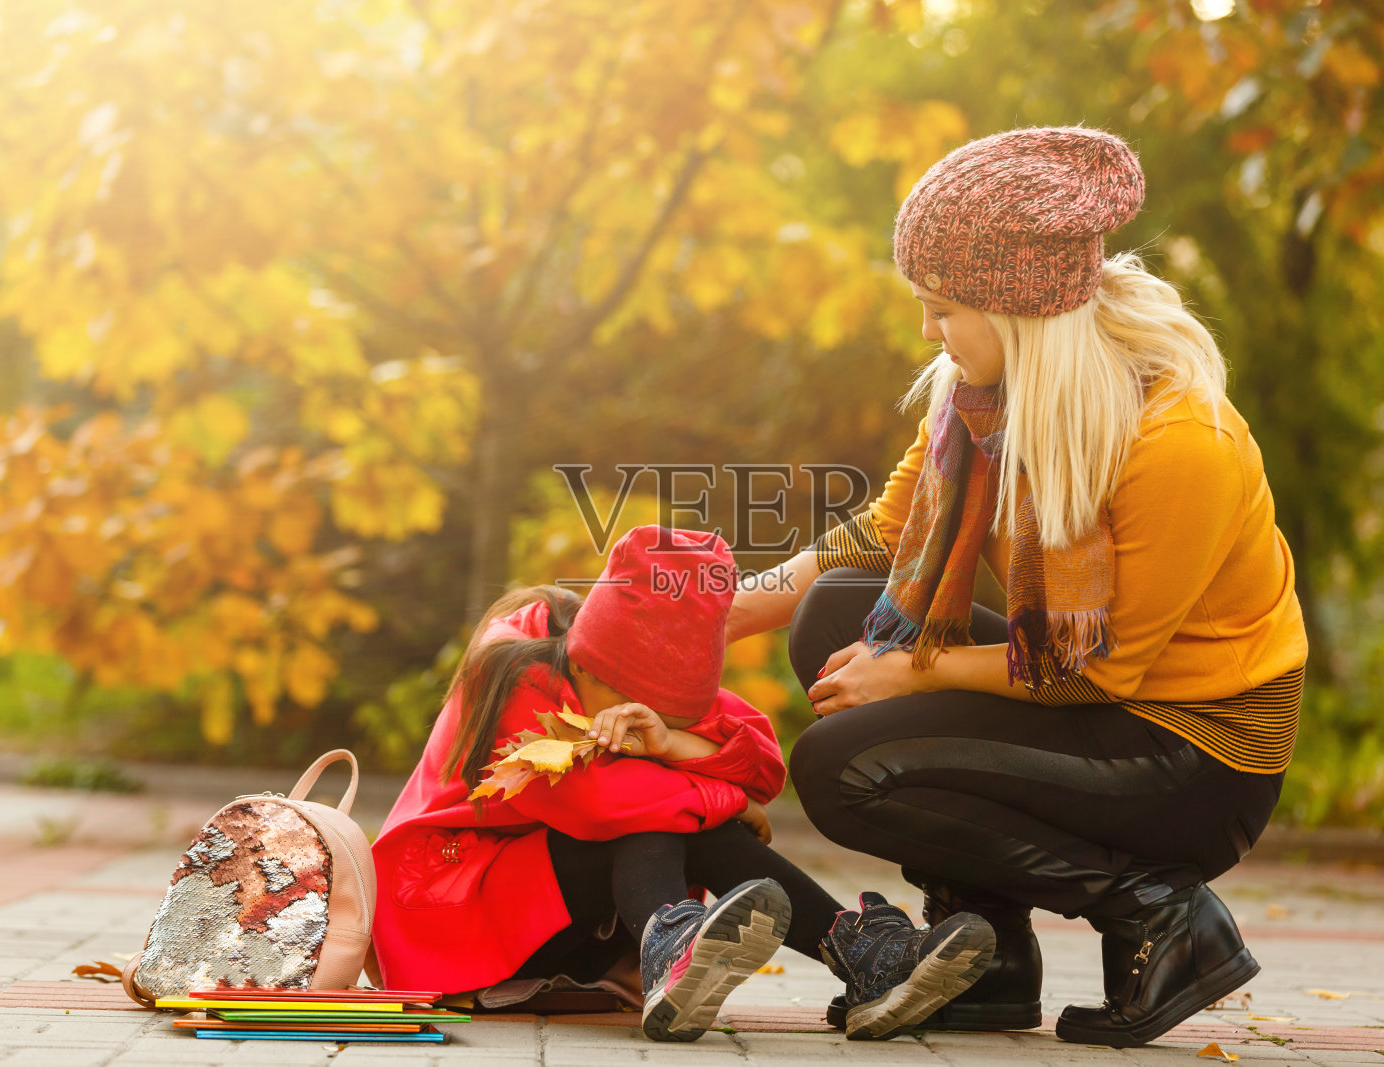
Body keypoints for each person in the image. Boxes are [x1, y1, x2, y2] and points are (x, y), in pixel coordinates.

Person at [724, 127, 1308, 1048]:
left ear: (1020, 307)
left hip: (1197, 753)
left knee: (846, 771)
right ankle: (991, 957)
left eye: (943, 307)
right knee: (836, 609)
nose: (929, 331)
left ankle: (1159, 913)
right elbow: (883, 538)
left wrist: (919, 672)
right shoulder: (981, 399)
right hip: (1090, 700)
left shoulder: (1179, 438)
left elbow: (1103, 670)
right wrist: (714, 604)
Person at [370, 524, 995, 1042]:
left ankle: (857, 958)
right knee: (647, 806)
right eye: (651, 718)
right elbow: (598, 807)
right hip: (456, 921)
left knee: (661, 799)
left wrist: (675, 746)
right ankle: (690, 946)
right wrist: (726, 799)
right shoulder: (513, 676)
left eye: (672, 721)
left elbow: (762, 763)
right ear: (594, 668)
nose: (649, 728)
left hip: (572, 926)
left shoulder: (633, 672)